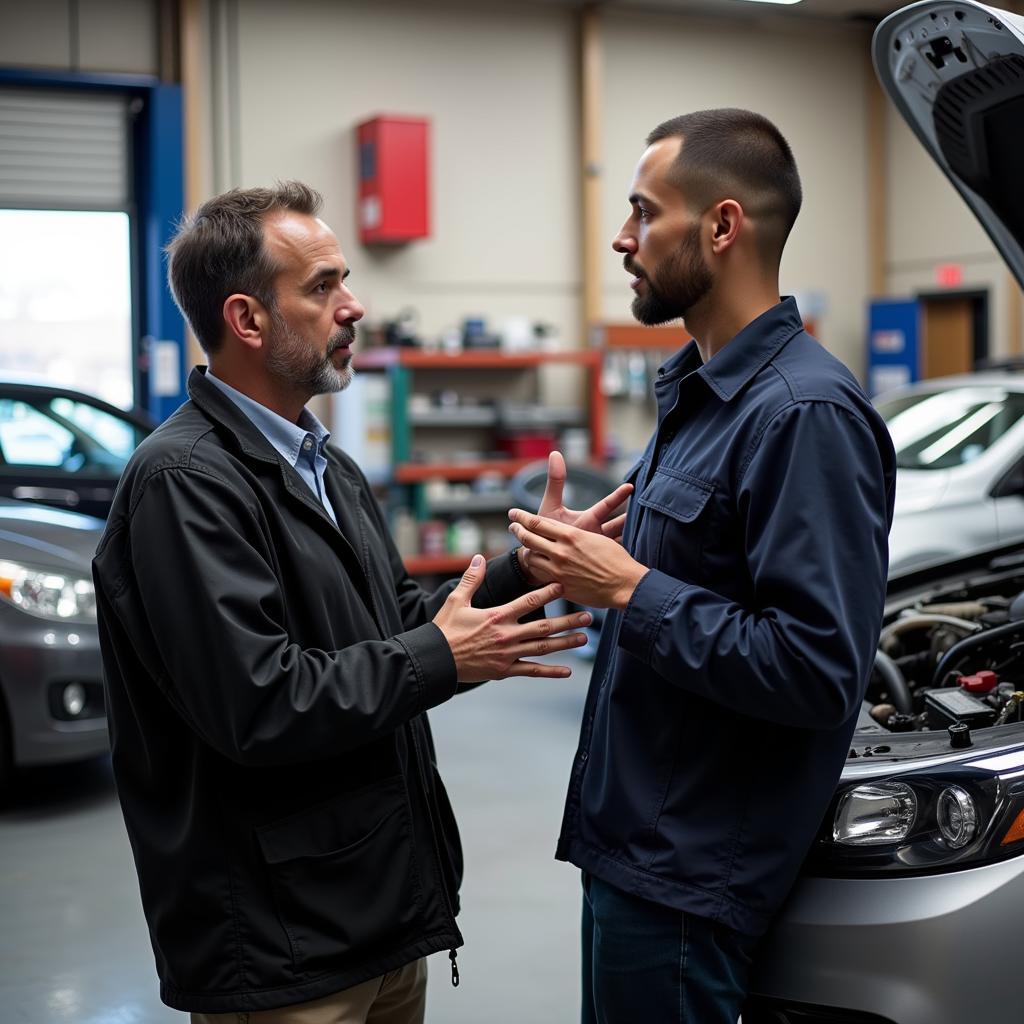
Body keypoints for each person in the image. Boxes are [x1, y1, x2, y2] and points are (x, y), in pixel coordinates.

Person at [92, 182, 627, 1023]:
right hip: (283, 945)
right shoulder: (185, 483)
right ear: (247, 319)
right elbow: (257, 702)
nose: (354, 306)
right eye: (323, 287)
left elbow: (393, 630)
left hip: (375, 915)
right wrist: (440, 659)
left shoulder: (326, 465)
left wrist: (532, 567)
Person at [508, 109, 897, 1023]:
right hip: (633, 851)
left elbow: (814, 668)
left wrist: (630, 588)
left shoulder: (803, 415)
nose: (621, 237)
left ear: (721, 227)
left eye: (644, 212)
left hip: (689, 882)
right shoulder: (701, 394)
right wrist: (587, 557)